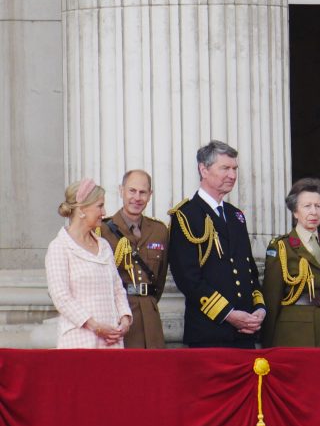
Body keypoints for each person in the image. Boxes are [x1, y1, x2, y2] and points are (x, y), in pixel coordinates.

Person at [168, 140, 266, 348]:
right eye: (225, 168)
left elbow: (249, 272)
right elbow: (187, 278)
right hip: (209, 333)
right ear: (203, 170)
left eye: (234, 169)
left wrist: (259, 308)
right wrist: (228, 314)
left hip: (244, 333)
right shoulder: (186, 215)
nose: (232, 175)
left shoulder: (235, 215)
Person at [45, 178, 132, 348]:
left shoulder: (104, 245)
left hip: (111, 341)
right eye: (100, 206)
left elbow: (117, 288)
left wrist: (125, 318)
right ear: (83, 209)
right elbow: (61, 297)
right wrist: (95, 326)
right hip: (80, 342)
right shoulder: (59, 247)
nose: (104, 212)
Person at [262, 178, 320, 348]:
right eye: (307, 206)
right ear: (295, 212)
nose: (314, 212)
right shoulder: (281, 246)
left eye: (318, 206)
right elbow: (271, 298)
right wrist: (267, 345)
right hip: (295, 333)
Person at [98, 169, 169, 348]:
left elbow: (159, 280)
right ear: (121, 190)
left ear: (150, 195)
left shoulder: (159, 231)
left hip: (150, 316)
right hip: (118, 317)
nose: (137, 198)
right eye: (132, 191)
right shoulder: (102, 230)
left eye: (143, 192)